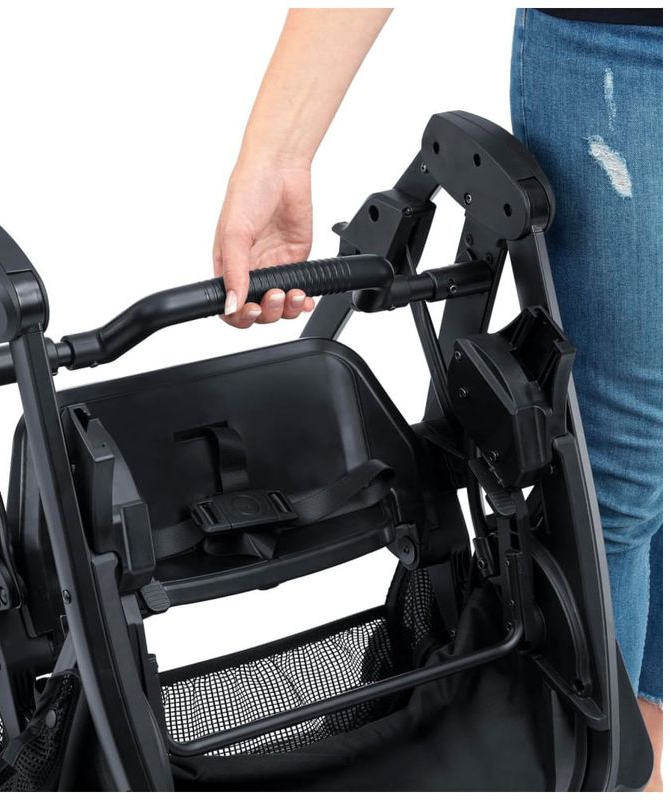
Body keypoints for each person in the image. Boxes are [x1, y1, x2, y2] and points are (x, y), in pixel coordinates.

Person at [212, 8, 663, 790]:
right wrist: (277, 156)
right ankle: (625, 761)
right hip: (625, 52)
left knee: (642, 474)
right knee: (612, 488)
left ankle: (644, 733)